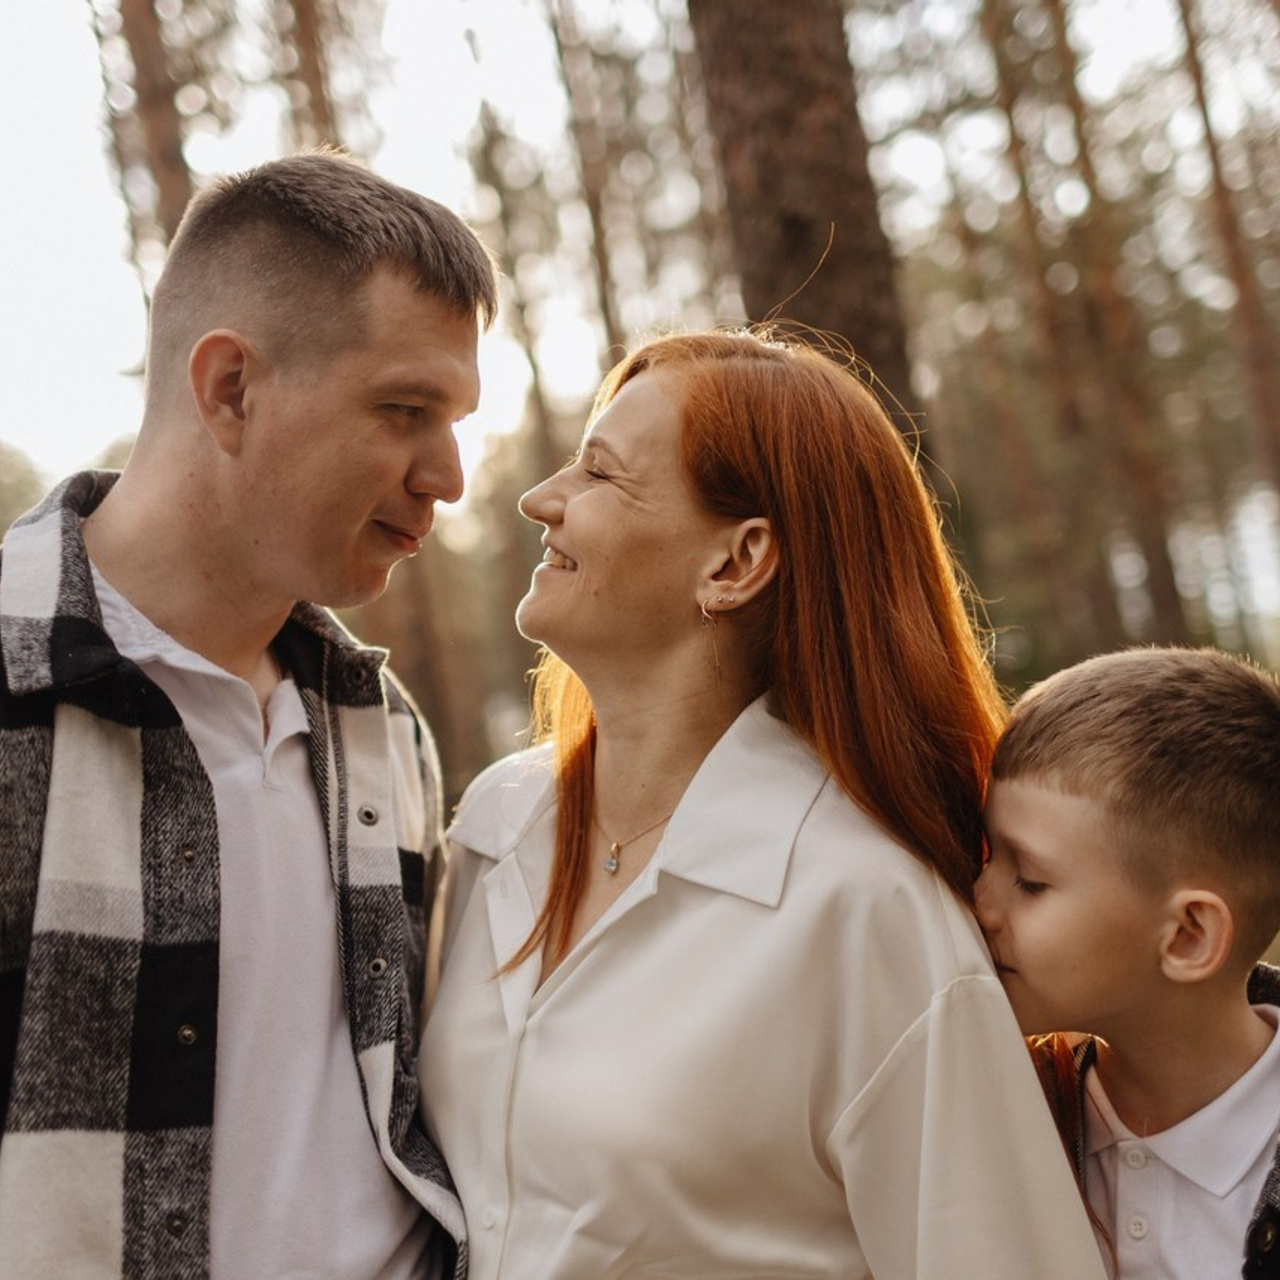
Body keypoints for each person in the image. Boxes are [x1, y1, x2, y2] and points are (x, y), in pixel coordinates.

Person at [419, 328, 1107, 1278]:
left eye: (600, 475)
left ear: (735, 564)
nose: (543, 500)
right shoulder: (496, 825)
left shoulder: (863, 906)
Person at [0, 152, 497, 1278]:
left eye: (454, 419)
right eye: (405, 408)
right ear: (229, 387)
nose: (449, 475)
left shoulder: (384, 732)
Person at [974, 646, 1280, 1279]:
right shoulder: (1001, 1108)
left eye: (1028, 881)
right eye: (987, 856)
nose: (980, 901)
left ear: (1188, 937)